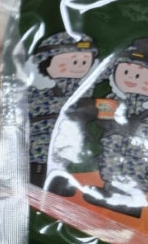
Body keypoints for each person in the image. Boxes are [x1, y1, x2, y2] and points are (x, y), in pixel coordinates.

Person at [82, 38, 148, 217]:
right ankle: (110, 193)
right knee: (111, 168)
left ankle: (132, 202)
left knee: (137, 176)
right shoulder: (115, 99)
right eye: (125, 71)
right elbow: (101, 117)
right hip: (114, 147)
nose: (130, 78)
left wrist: (142, 130)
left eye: (139, 75)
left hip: (143, 154)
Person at [27, 31, 97, 191]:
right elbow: (35, 105)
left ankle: (57, 183)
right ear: (46, 61)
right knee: (40, 159)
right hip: (41, 135)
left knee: (63, 160)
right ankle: (36, 182)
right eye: (73, 60)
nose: (79, 65)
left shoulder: (80, 87)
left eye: (84, 61)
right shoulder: (37, 87)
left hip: (67, 139)